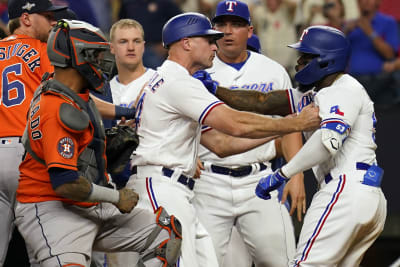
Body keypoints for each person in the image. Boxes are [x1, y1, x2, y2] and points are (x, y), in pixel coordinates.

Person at [129, 11, 320, 267]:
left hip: (177, 186)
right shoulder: (178, 82)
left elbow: (222, 144)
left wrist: (281, 130)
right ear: (186, 43)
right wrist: (293, 123)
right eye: (207, 39)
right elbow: (235, 123)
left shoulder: (173, 78)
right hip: (163, 185)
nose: (214, 44)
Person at [14, 19, 182, 267]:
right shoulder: (56, 108)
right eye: (93, 55)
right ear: (76, 57)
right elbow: (65, 183)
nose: (100, 62)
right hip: (52, 209)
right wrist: (116, 197)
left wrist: (101, 152)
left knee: (164, 233)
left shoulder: (69, 90)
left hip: (90, 203)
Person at [255, 25, 387, 266]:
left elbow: (329, 142)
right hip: (366, 193)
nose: (299, 63)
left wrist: (283, 172)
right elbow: (264, 102)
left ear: (326, 60)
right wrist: (216, 92)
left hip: (344, 188)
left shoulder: (342, 88)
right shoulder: (319, 92)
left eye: (306, 57)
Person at [193, 1, 303, 266]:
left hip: (259, 180)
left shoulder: (273, 70)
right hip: (209, 180)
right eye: (221, 25)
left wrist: (297, 173)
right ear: (213, 31)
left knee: (284, 261)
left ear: (250, 31)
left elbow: (290, 125)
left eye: (236, 25)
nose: (228, 31)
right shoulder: (198, 72)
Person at [0, 1, 68, 265]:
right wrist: (124, 110)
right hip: (27, 157)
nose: (53, 22)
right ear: (26, 18)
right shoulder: (42, 50)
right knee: (47, 250)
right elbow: (67, 97)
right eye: (47, 16)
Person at [105, 18, 157, 267]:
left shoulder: (158, 82)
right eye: (123, 41)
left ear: (144, 46)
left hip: (152, 177)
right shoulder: (101, 90)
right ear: (111, 47)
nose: (130, 47)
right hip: (113, 184)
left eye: (136, 41)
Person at [345, 0, 399, 105]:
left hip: (379, 83)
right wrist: (345, 32)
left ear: (377, 2)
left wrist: (370, 32)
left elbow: (390, 55)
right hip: (352, 84)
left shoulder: (388, 22)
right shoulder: (350, 26)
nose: (365, 2)